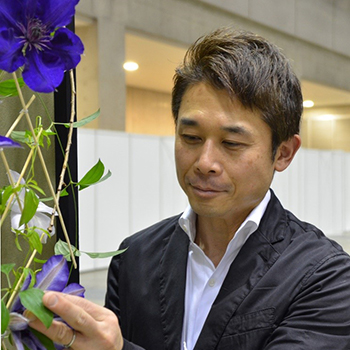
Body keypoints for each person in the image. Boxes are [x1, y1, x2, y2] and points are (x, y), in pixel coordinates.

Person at [30, 27, 350, 349]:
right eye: (191, 138)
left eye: (232, 143)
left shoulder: (325, 276)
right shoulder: (135, 258)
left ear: (283, 153)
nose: (205, 161)